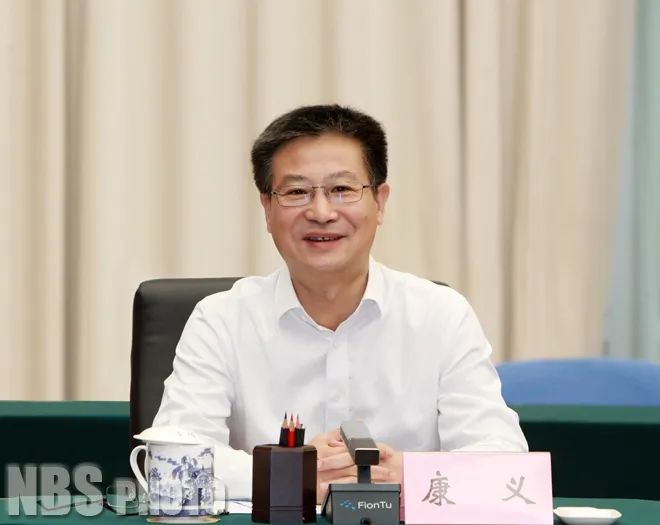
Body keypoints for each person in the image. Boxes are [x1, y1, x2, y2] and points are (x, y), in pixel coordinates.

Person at [153, 104, 528, 504]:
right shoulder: (221, 320)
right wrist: (292, 473)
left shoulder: (441, 316)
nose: (321, 212)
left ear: (380, 202)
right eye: (296, 192)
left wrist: (408, 475)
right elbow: (172, 462)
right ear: (267, 209)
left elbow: (506, 464)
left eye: (342, 190)